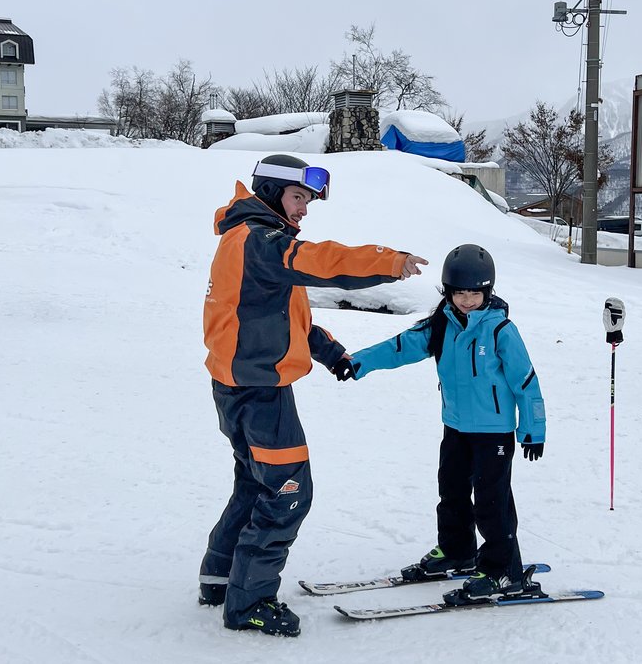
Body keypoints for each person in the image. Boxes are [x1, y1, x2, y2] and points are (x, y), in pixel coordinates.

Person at [199, 154, 428, 637]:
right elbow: (324, 261)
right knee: (287, 494)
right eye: (299, 197)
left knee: (255, 485)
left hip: (241, 386)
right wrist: (390, 261)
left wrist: (331, 353)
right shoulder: (262, 241)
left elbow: (285, 317)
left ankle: (220, 578)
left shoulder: (249, 240)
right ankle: (250, 602)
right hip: (259, 394)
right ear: (271, 191)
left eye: (308, 200)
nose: (304, 210)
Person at [340, 244, 546, 602]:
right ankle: (457, 550)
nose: (466, 300)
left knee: (491, 501)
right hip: (455, 426)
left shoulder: (501, 331)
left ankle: (503, 571)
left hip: (493, 432)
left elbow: (525, 381)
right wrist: (358, 362)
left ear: (488, 292)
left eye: (474, 293)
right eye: (459, 293)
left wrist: (533, 429)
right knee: (450, 491)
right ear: (448, 292)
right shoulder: (441, 325)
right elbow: (400, 346)